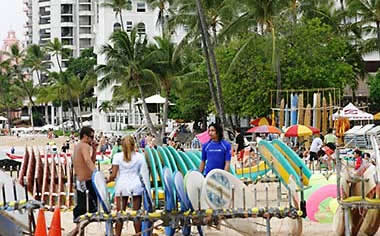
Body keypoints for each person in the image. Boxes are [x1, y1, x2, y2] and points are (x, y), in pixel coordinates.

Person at [107, 135, 146, 236]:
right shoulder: (140, 157)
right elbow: (144, 174)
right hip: (136, 185)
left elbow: (113, 175)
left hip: (121, 186)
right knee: (136, 215)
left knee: (120, 215)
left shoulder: (117, 156)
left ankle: (118, 234)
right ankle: (138, 234)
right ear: (134, 145)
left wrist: (105, 180)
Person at [69, 126, 98, 236]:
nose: (92, 139)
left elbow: (91, 161)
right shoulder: (84, 145)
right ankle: (75, 232)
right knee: (91, 209)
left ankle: (77, 232)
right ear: (85, 136)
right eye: (91, 137)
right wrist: (97, 173)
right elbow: (87, 160)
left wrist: (95, 150)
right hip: (85, 182)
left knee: (84, 210)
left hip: (81, 181)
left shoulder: (79, 146)